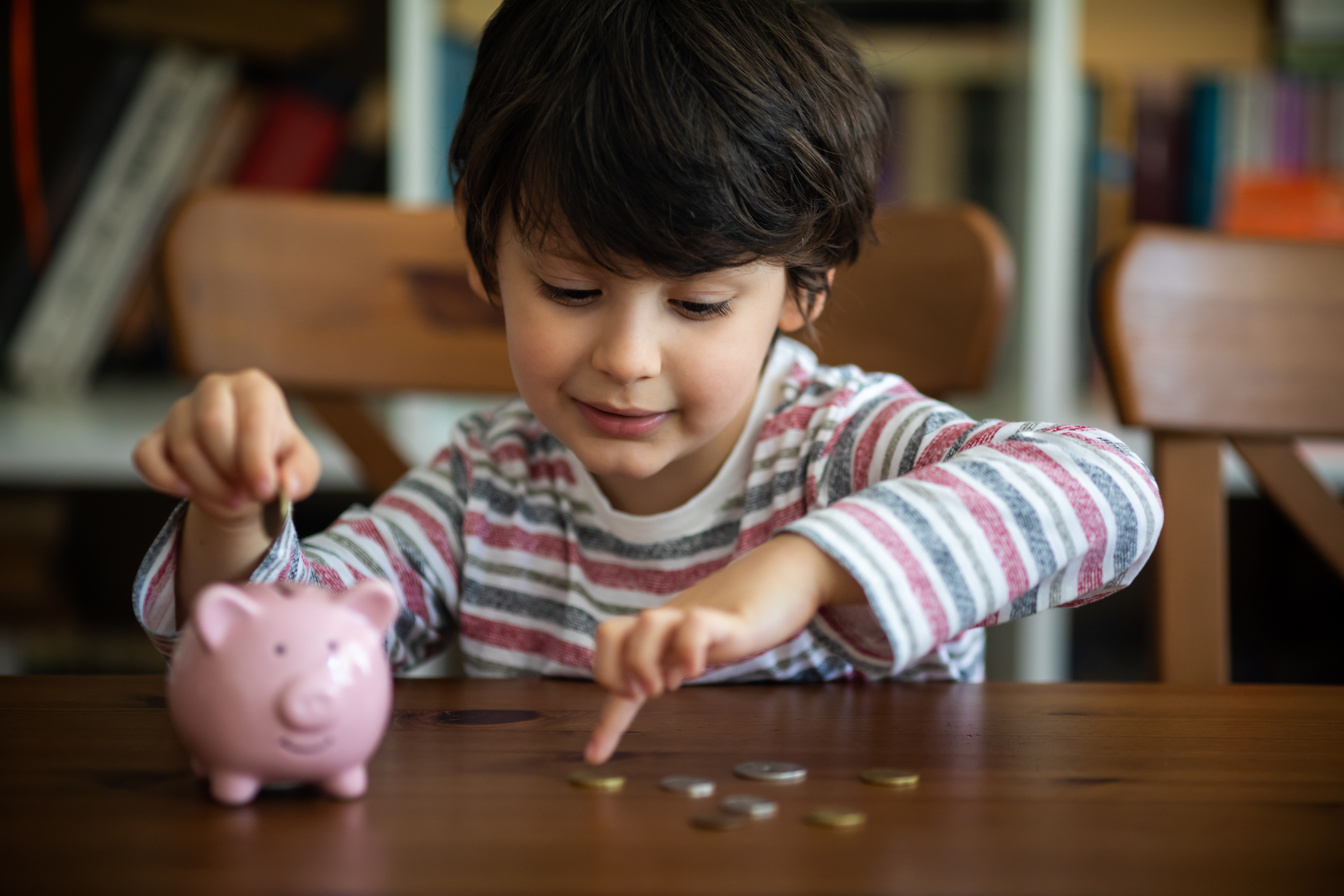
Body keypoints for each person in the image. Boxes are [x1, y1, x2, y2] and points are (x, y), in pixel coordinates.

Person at [131, 0, 1163, 766]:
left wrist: (800, 571)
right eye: (572, 289)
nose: (627, 357)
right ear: (491, 261)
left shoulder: (837, 446)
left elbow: (1108, 492)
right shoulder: (487, 483)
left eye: (699, 305)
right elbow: (274, 658)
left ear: (802, 290)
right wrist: (232, 509)